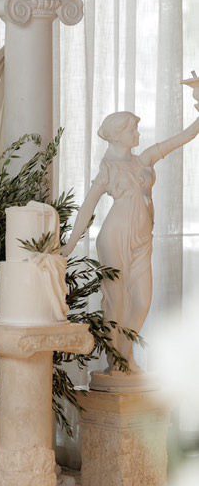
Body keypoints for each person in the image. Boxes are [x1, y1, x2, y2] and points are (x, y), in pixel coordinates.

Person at [62, 98, 199, 378]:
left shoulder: (143, 159)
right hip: (116, 236)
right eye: (132, 129)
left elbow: (181, 138)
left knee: (142, 300)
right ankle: (119, 360)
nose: (137, 133)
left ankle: (124, 353)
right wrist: (71, 243)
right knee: (116, 301)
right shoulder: (108, 168)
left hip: (142, 238)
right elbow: (87, 207)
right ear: (117, 134)